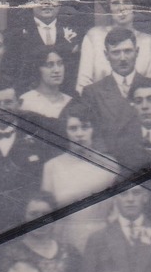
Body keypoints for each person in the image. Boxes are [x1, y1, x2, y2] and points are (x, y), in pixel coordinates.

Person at [40, 103, 121, 253]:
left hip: (102, 243)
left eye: (85, 127)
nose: (79, 134)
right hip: (65, 243)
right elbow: (47, 213)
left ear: (93, 129)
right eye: (73, 128)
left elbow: (117, 211)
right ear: (65, 131)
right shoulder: (52, 167)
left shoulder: (110, 164)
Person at [0, 85, 47, 234]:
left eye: (8, 102)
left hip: (25, 224)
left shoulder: (36, 140)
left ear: (19, 104)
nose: (2, 107)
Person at [76, 0, 151, 93]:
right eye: (115, 3)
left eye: (126, 2)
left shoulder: (148, 42)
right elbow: (83, 85)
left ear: (134, 6)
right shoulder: (94, 37)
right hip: (99, 106)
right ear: (109, 7)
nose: (121, 8)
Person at [6, 0, 82, 92]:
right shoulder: (15, 35)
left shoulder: (76, 34)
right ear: (31, 1)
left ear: (60, 1)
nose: (47, 2)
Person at [79, 29, 145, 148]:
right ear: (106, 55)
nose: (123, 58)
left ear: (137, 52)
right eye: (116, 52)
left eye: (128, 51)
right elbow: (92, 136)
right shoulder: (92, 93)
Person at [19, 50, 74, 126]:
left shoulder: (70, 101)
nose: (57, 70)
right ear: (38, 69)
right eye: (49, 65)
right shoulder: (26, 101)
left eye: (60, 64)